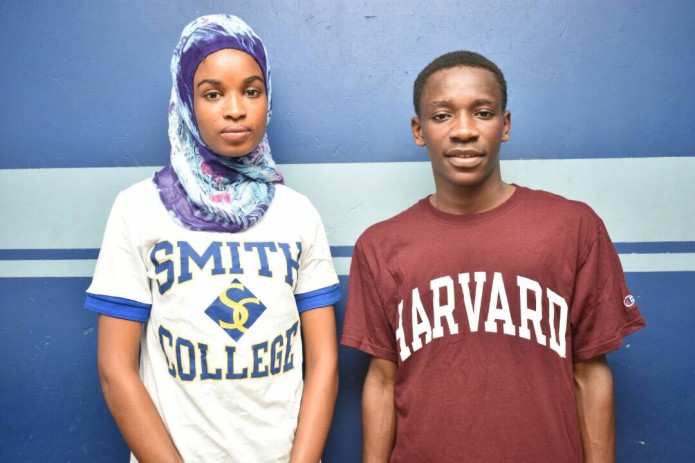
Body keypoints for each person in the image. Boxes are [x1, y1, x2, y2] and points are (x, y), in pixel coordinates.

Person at [340, 50, 646, 462]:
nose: (464, 131)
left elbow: (590, 374)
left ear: (504, 125)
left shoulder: (573, 227)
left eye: (482, 113)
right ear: (419, 130)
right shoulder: (380, 245)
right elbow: (381, 380)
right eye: (442, 115)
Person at [85, 15, 340, 462]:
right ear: (186, 100)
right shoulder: (139, 208)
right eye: (213, 94)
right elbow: (115, 371)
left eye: (252, 91)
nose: (236, 108)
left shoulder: (297, 213)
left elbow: (324, 364)